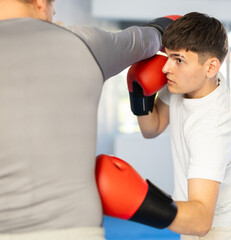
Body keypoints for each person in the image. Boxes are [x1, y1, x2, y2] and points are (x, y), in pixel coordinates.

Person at [0, 0, 176, 239]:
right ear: (41, 4)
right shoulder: (82, 41)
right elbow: (151, 38)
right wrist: (167, 27)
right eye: (54, 10)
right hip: (74, 228)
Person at [132, 12, 231, 239]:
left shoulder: (212, 128)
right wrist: (138, 96)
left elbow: (201, 221)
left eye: (178, 60)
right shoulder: (190, 81)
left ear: (211, 68)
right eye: (168, 57)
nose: (165, 68)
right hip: (190, 208)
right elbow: (151, 128)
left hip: (213, 224)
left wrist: (137, 203)